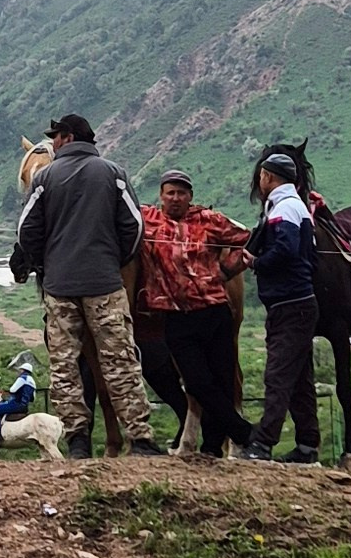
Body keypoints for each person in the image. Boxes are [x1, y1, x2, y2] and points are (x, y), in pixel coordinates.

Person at [9, 113, 160, 461]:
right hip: (105, 284)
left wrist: (46, 262)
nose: (54, 144)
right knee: (120, 360)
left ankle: (77, 441)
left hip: (60, 288)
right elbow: (134, 227)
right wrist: (114, 259)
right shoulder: (113, 173)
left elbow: (25, 230)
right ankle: (140, 439)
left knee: (64, 366)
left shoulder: (44, 179)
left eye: (56, 137)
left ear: (68, 136)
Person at [134, 172, 251, 460]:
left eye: (181, 193)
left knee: (222, 381)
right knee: (196, 381)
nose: (175, 198)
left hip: (214, 311)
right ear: (161, 195)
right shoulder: (146, 220)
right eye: (170, 193)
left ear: (190, 197)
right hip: (176, 316)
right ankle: (247, 433)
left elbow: (248, 239)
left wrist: (226, 271)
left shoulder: (211, 220)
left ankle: (211, 448)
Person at [248, 148, 323, 462]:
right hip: (298, 303)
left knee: (277, 375)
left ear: (267, 176)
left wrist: (257, 262)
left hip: (289, 304)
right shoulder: (294, 205)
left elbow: (286, 249)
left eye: (261, 177)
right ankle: (307, 445)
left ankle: (262, 443)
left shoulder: (285, 208)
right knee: (300, 378)